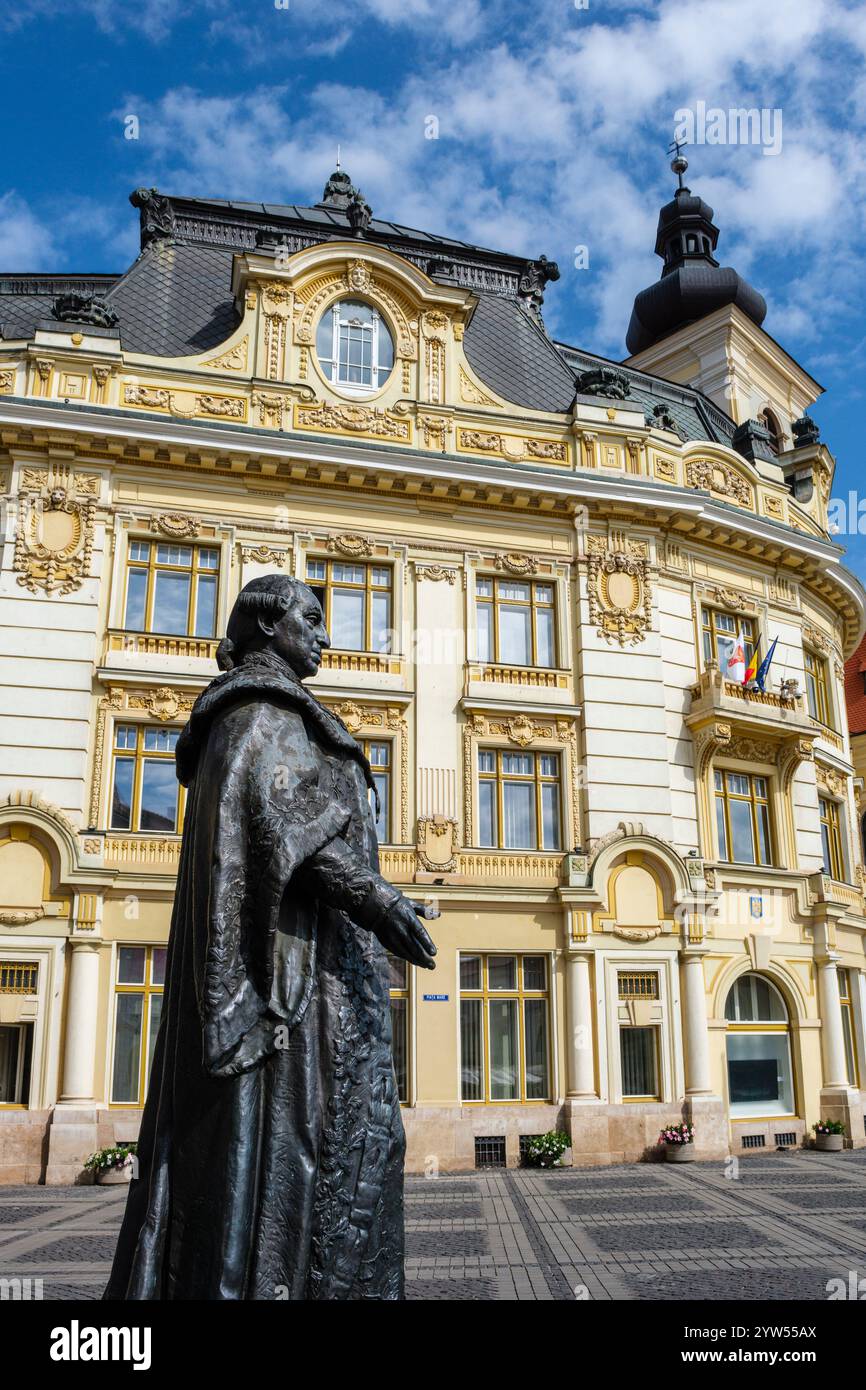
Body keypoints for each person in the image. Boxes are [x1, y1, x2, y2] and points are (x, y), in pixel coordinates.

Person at [104, 574, 436, 1300]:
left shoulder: (270, 712)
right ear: (264, 626)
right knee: (307, 1146)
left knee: (334, 1146)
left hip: (317, 962)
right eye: (311, 619)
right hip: (294, 989)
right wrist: (379, 902)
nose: (325, 634)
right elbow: (280, 822)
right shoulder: (261, 712)